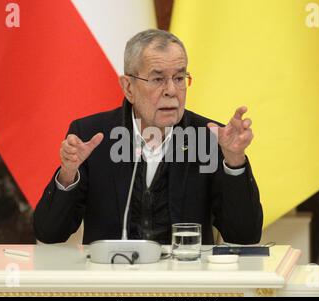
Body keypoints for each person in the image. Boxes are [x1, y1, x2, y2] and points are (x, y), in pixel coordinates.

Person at [34, 29, 263, 245]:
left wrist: (234, 161)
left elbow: (245, 235)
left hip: (186, 281)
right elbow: (49, 233)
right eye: (158, 79)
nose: (171, 90)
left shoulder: (209, 138)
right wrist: (68, 174)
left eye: (179, 78)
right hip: (112, 280)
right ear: (128, 87)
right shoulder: (91, 136)